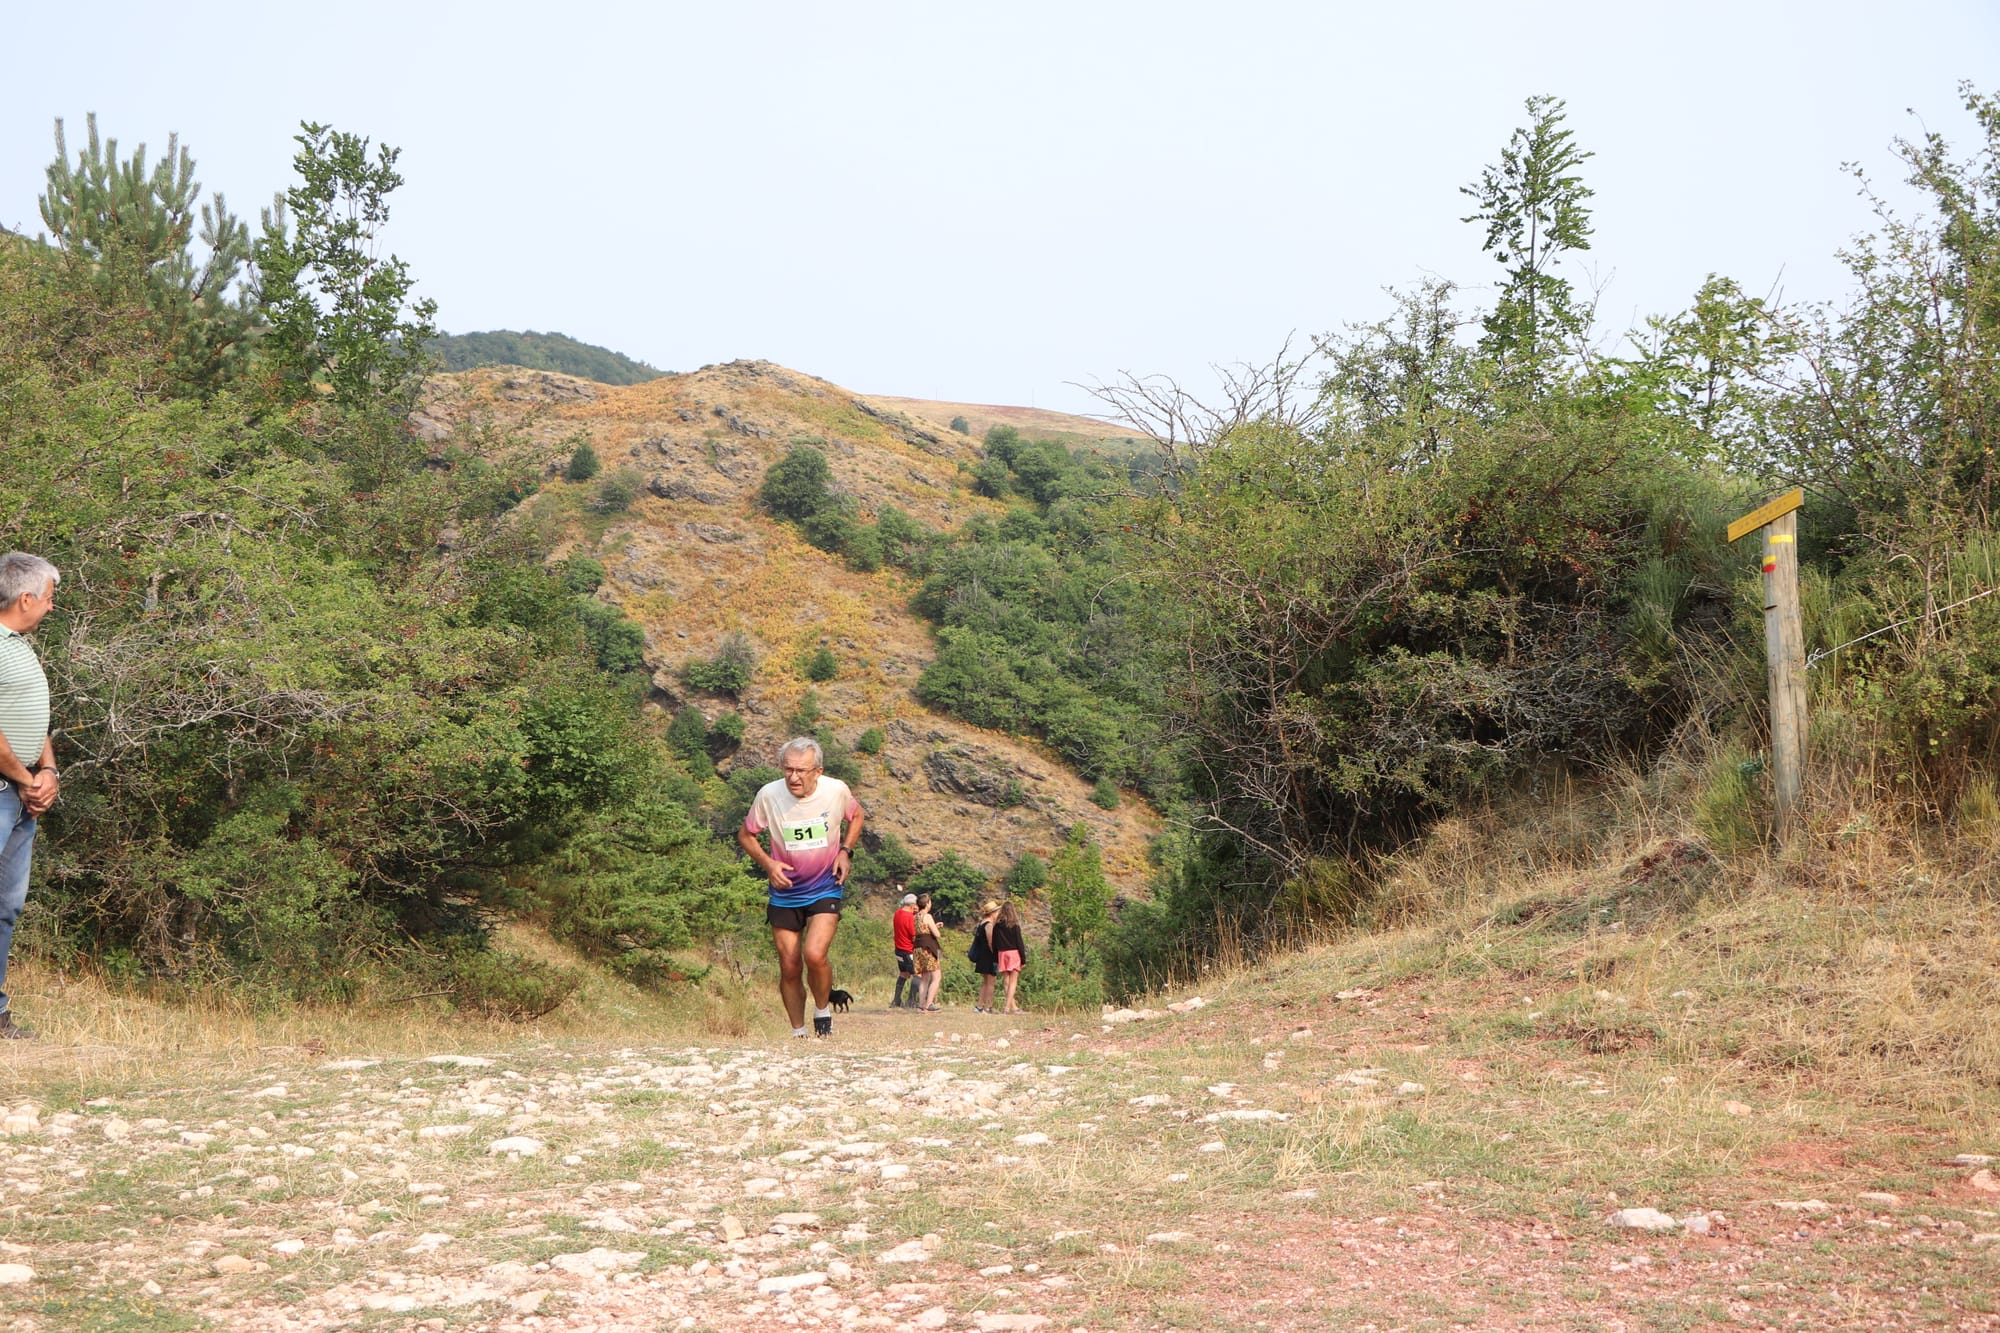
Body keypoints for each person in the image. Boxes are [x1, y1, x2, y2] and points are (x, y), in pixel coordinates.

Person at [737, 736, 864, 1038]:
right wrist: (769, 865)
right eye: (788, 769)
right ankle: (799, 1033)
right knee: (790, 965)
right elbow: (746, 834)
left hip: (825, 886)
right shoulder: (769, 794)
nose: (794, 777)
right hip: (785, 891)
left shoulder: (836, 790)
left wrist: (846, 851)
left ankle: (822, 1012)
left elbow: (857, 815)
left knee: (815, 954)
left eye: (802, 771)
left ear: (817, 771)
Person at [0, 553, 60, 1042]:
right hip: (3, 791)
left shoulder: (18, 646)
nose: (50, 607)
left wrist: (48, 769)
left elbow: (29, 714)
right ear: (26, 598)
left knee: (6, 906)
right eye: (48, 597)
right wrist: (24, 777)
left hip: (17, 797)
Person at [990, 900, 1029, 1015]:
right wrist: (1023, 959)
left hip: (1002, 953)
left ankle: (1013, 1007)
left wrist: (995, 957)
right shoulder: (1015, 925)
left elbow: (994, 943)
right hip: (1013, 953)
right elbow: (1019, 943)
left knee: (1006, 982)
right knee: (1013, 982)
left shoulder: (997, 926)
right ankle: (1007, 1008)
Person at [912, 892, 942, 1011]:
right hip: (928, 948)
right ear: (927, 903)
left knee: (924, 977)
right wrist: (936, 928)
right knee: (936, 976)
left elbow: (922, 930)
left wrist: (934, 926)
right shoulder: (928, 916)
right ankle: (929, 1004)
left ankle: (921, 1004)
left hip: (918, 948)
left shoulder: (916, 917)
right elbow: (937, 934)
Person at [969, 899, 1001, 1013]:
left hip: (982, 956)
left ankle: (979, 1005)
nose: (998, 914)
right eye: (996, 912)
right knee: (991, 982)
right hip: (988, 956)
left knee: (985, 982)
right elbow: (991, 942)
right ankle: (988, 1006)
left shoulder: (981, 923)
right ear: (992, 913)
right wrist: (996, 955)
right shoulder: (989, 925)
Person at [891, 890, 918, 1009]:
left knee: (903, 973)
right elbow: (913, 935)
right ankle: (911, 1000)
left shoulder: (897, 913)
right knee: (918, 975)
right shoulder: (909, 917)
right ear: (912, 905)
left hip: (898, 949)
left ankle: (896, 1000)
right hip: (908, 950)